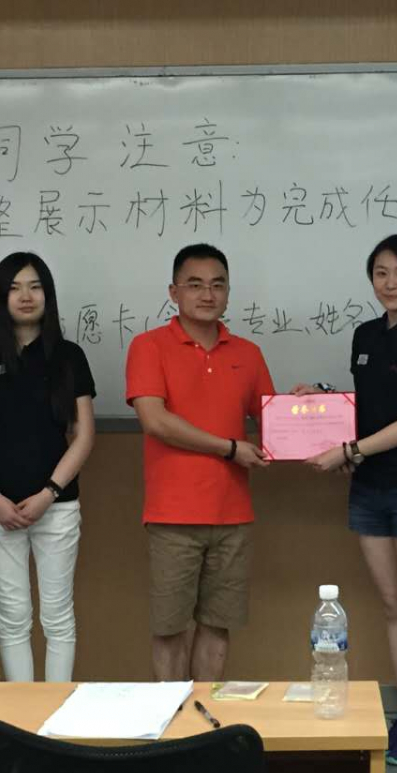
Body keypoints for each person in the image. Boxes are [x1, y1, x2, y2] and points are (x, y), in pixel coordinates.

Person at [305, 234, 397, 766]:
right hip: (369, 487)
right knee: (392, 606)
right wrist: (319, 406)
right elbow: (367, 409)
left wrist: (349, 449)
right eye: (381, 273)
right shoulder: (365, 335)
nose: (390, 284)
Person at [126, 243, 275, 682]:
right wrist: (228, 448)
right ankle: (173, 719)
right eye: (195, 285)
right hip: (172, 515)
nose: (207, 295)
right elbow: (155, 421)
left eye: (217, 285)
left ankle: (203, 719)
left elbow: (275, 422)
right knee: (169, 628)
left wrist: (307, 408)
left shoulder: (247, 353)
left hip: (233, 514)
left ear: (228, 292)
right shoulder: (149, 346)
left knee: (217, 624)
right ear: (174, 292)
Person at [0, 252, 96, 682]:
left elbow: (84, 435)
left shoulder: (69, 356)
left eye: (35, 286)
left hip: (56, 506)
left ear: (47, 294)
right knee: (14, 615)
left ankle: (56, 709)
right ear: (0, 297)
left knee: (57, 615)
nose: (26, 296)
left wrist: (49, 493)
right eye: (15, 288)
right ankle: (22, 711)